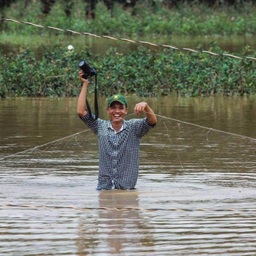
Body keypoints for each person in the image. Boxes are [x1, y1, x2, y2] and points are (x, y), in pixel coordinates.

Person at [77, 70, 157, 190]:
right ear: (108, 110)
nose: (117, 111)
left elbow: (152, 121)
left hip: (126, 189)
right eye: (113, 108)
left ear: (126, 110)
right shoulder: (100, 126)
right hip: (104, 188)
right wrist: (85, 84)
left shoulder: (134, 127)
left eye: (120, 108)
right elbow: (81, 112)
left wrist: (145, 105)